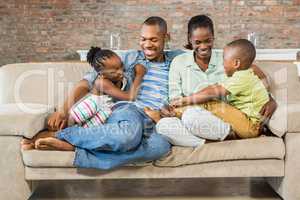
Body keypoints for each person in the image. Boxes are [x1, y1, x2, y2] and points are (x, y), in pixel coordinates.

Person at [21, 16, 184, 170]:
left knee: (160, 147)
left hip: (155, 121)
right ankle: (60, 135)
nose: (147, 45)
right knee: (127, 137)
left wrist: (165, 114)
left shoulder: (178, 60)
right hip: (129, 111)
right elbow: (87, 82)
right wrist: (63, 110)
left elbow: (202, 55)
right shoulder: (130, 58)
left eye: (153, 39)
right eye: (143, 39)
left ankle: (74, 146)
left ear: (166, 37)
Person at [145, 15, 277, 147]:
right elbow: (175, 99)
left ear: (213, 37)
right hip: (195, 119)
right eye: (197, 42)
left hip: (226, 119)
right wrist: (171, 110)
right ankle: (209, 142)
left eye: (207, 41)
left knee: (200, 109)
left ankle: (216, 137)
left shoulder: (228, 59)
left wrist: (269, 99)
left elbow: (255, 74)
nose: (203, 46)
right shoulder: (179, 62)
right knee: (165, 125)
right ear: (190, 39)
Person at [170, 39, 269, 139]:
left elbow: (213, 91)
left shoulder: (242, 77)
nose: (222, 63)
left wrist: (185, 100)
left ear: (236, 63)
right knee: (213, 104)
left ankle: (177, 112)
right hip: (248, 122)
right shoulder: (244, 73)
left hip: (250, 126)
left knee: (213, 104)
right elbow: (213, 87)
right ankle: (181, 113)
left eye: (224, 59)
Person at [68, 46, 146, 128]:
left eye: (121, 66)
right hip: (88, 110)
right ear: (102, 74)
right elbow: (130, 97)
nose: (121, 72)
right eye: (113, 71)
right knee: (73, 127)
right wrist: (139, 75)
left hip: (100, 116)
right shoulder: (102, 83)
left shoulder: (119, 78)